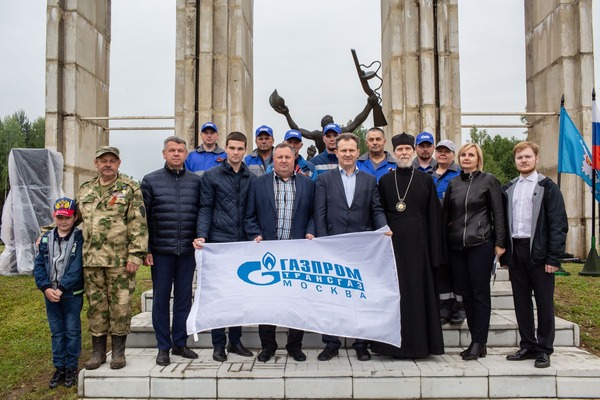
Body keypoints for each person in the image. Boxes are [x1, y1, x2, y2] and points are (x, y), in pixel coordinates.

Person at [314, 132, 388, 362]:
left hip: (361, 247)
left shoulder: (368, 179)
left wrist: (383, 228)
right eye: (343, 150)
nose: (347, 154)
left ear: (358, 153)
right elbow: (320, 214)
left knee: (359, 295)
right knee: (331, 296)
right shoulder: (324, 179)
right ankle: (331, 343)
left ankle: (360, 343)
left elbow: (375, 209)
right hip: (332, 244)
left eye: (351, 150)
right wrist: (324, 243)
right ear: (336, 152)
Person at [372, 133, 445, 359]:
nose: (404, 153)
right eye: (400, 150)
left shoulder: (425, 181)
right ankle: (391, 347)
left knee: (418, 294)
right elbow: (378, 212)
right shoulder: (384, 181)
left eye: (407, 149)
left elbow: (434, 217)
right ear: (394, 153)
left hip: (419, 247)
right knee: (396, 296)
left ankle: (421, 347)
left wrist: (435, 253)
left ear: (413, 151)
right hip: (392, 247)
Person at [77, 146, 148, 370]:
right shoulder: (85, 190)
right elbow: (71, 218)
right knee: (96, 307)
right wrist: (47, 233)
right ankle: (98, 352)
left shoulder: (129, 189)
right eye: (103, 160)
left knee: (121, 306)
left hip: (120, 262)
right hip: (91, 261)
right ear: (96, 163)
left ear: (118, 163)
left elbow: (138, 224)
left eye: (112, 161)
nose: (107, 164)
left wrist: (135, 255)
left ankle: (118, 352)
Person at [245, 142, 316, 363]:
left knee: (297, 302)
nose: (284, 161)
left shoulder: (307, 184)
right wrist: (255, 233)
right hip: (269, 254)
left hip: (297, 252)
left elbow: (314, 214)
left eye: (288, 157)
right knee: (268, 303)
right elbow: (249, 216)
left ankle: (295, 345)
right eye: (279, 157)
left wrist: (311, 232)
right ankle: (268, 346)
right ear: (272, 160)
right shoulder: (258, 184)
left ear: (295, 159)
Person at [501, 141, 568, 368]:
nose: (524, 160)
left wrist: (553, 257)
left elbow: (558, 224)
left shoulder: (548, 187)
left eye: (528, 157)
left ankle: (544, 349)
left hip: (539, 252)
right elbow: (503, 223)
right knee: (521, 302)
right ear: (515, 161)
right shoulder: (509, 188)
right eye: (520, 157)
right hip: (516, 251)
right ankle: (527, 345)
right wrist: (506, 256)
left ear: (536, 159)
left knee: (544, 303)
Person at [194, 131, 255, 362]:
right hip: (219, 243)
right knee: (219, 296)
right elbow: (206, 208)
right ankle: (218, 344)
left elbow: (253, 211)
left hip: (242, 244)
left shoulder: (251, 177)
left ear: (245, 150)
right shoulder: (211, 176)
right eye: (232, 148)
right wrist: (202, 235)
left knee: (238, 295)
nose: (236, 152)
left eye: (240, 149)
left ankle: (235, 341)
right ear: (225, 149)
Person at [141, 136, 202, 366]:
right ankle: (163, 346)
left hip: (187, 250)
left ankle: (180, 342)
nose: (176, 154)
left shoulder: (196, 182)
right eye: (172, 150)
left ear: (186, 155)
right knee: (161, 299)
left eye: (180, 150)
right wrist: (145, 249)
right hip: (161, 251)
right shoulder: (150, 181)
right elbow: (142, 219)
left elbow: (201, 213)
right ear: (164, 154)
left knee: (184, 299)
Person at [444, 142, 506, 361]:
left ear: (478, 159)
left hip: (480, 244)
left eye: (471, 155)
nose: (466, 158)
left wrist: (499, 243)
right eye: (463, 155)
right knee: (466, 294)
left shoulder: (488, 181)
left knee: (480, 294)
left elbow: (498, 213)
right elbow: (447, 216)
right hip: (457, 247)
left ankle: (480, 341)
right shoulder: (453, 184)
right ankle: (475, 340)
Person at [34, 197, 83, 389]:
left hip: (71, 293)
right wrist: (46, 287)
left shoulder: (79, 238)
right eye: (60, 217)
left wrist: (62, 288)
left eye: (68, 218)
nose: (63, 222)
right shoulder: (46, 238)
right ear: (54, 216)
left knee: (71, 330)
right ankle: (59, 367)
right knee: (56, 332)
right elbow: (39, 265)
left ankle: (71, 367)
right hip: (50, 294)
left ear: (74, 217)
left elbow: (76, 266)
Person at [270, 89, 379, 153]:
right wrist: (369, 105)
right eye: (328, 134)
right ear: (323, 134)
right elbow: (357, 121)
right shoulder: (319, 134)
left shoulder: (331, 133)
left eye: (334, 134)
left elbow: (357, 121)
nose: (332, 138)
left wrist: (369, 105)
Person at [429, 140, 465, 326]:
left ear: (453, 154)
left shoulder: (460, 174)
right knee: (442, 270)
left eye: (447, 151)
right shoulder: (429, 175)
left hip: (455, 231)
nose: (442, 154)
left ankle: (459, 309)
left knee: (457, 270)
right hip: (435, 232)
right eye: (440, 151)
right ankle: (444, 308)